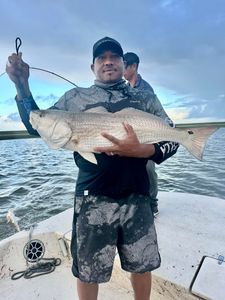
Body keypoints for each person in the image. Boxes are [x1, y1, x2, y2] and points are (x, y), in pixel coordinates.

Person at [6, 37, 179, 300]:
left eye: (114, 56)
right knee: (87, 270)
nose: (108, 61)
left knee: (142, 266)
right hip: (92, 198)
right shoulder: (75, 98)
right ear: (92, 66)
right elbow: (36, 123)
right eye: (101, 57)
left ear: (124, 63)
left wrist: (143, 150)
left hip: (138, 196)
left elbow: (173, 136)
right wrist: (22, 84)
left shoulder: (144, 97)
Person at [123, 52, 175, 216]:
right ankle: (135, 202)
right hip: (132, 138)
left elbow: (160, 117)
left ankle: (153, 205)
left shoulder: (146, 90)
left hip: (147, 137)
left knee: (148, 170)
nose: (121, 68)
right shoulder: (125, 88)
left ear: (134, 66)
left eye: (124, 64)